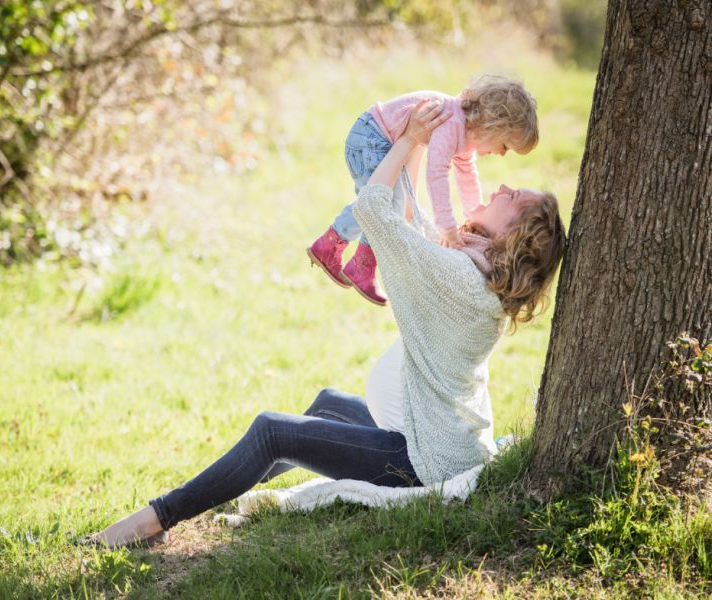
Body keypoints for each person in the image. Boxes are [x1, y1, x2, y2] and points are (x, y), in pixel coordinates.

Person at [80, 100, 565, 550]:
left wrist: (406, 140)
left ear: (515, 234)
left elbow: (375, 210)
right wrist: (418, 141)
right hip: (438, 441)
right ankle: (222, 485)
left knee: (273, 430)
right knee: (329, 405)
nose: (500, 187)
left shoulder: (459, 277)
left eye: (513, 196)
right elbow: (413, 225)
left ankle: (153, 521)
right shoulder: (475, 274)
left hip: (421, 465)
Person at [307, 75, 538, 306]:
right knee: (385, 203)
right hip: (371, 139)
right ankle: (361, 265)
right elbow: (436, 174)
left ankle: (329, 244)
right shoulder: (453, 123)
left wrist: (474, 214)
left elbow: (467, 175)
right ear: (494, 125)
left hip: (373, 137)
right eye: (506, 146)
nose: (502, 153)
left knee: (381, 200)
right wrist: (447, 226)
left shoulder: (465, 131)